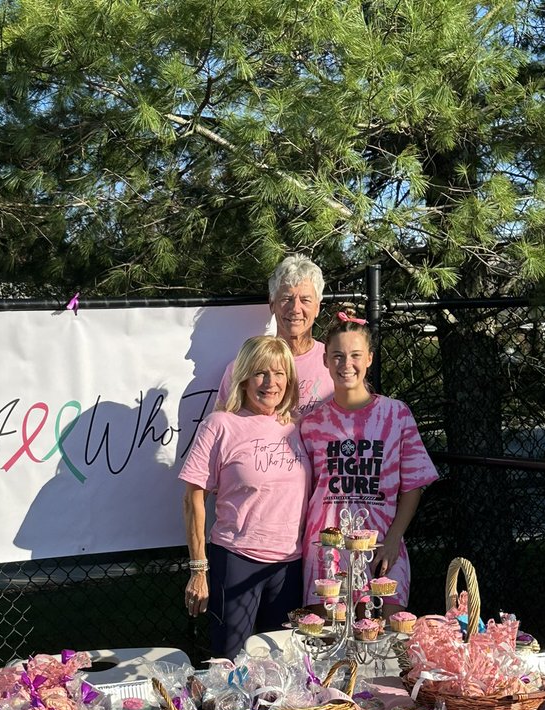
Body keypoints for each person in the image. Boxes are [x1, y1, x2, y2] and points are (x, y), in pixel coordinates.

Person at [179, 335, 311, 659]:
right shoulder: (220, 425)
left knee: (282, 669)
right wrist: (199, 569)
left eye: (280, 374)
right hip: (237, 560)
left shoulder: (297, 427)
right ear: (244, 378)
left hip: (289, 566)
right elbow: (193, 498)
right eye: (261, 373)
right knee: (229, 665)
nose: (271, 383)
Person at [300, 312, 438, 613]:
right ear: (325, 361)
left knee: (387, 638)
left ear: (370, 358)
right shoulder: (310, 425)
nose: (346, 365)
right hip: (326, 552)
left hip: (381, 547)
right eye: (337, 356)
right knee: (327, 642)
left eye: (355, 355)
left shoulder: (396, 415)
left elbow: (413, 486)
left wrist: (393, 539)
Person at [216, 254, 334, 415]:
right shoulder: (243, 366)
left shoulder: (336, 362)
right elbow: (222, 428)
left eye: (305, 300)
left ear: (317, 307)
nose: (295, 309)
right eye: (287, 299)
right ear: (272, 304)